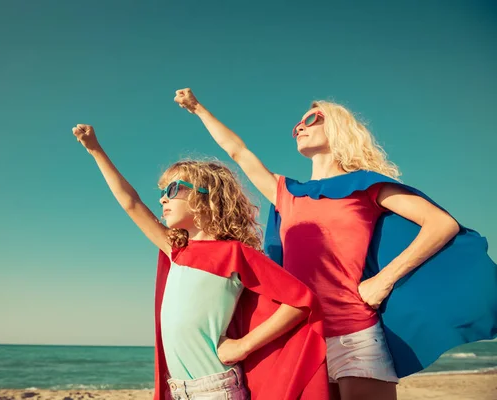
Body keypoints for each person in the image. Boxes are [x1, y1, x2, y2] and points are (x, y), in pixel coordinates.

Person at [174, 89, 497, 400]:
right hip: (299, 337)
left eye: (312, 119)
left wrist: (384, 281)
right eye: (297, 124)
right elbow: (238, 152)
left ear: (339, 127)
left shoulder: (366, 187)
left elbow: (441, 224)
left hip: (353, 333)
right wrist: (198, 109)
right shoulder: (287, 193)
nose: (300, 126)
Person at [71, 124, 329, 400]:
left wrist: (242, 346)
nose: (162, 198)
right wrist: (95, 150)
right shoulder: (176, 250)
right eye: (162, 192)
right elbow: (130, 202)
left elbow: (300, 301)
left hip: (216, 389)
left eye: (172, 189)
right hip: (179, 390)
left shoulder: (235, 253)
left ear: (206, 196)